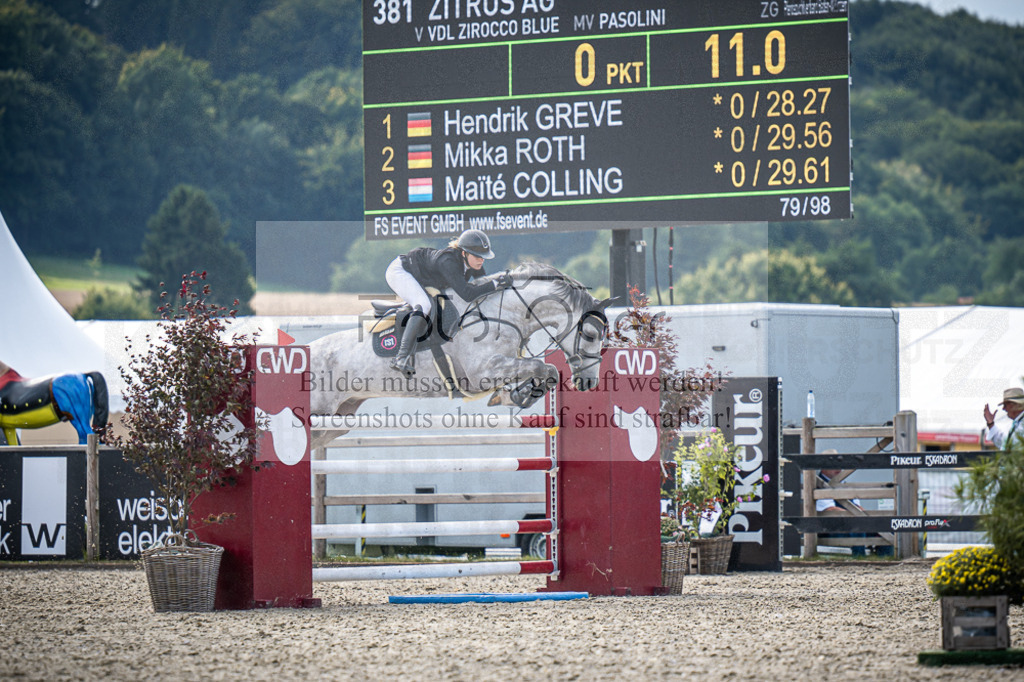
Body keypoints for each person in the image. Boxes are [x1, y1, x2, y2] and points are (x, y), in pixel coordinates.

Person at [384, 229, 513, 377]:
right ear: (464, 253)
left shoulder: (472, 263)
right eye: (478, 256)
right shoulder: (448, 262)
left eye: (483, 257)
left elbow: (483, 282)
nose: (481, 260)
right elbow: (468, 294)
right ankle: (401, 357)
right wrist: (496, 284)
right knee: (423, 305)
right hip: (401, 272)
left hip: (421, 275)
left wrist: (502, 280)